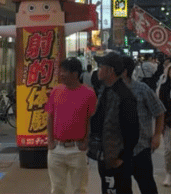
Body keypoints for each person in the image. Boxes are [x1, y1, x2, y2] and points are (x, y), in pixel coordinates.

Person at [46, 57, 97, 194]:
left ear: (75, 74)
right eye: (60, 71)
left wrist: (86, 141)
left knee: (79, 189)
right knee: (57, 188)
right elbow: (50, 117)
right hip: (56, 148)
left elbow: (91, 120)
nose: (61, 74)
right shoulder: (56, 92)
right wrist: (50, 141)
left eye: (64, 71)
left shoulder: (89, 93)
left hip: (77, 149)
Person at [90, 52, 140, 194]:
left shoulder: (123, 95)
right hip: (107, 156)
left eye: (101, 67)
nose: (98, 70)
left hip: (116, 159)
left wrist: (122, 157)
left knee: (119, 189)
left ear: (110, 70)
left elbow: (132, 130)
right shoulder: (106, 90)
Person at [122, 55, 165, 194]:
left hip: (141, 147)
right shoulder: (110, 90)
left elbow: (159, 111)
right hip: (119, 150)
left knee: (147, 186)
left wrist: (157, 135)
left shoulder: (142, 89)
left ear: (123, 71)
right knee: (122, 187)